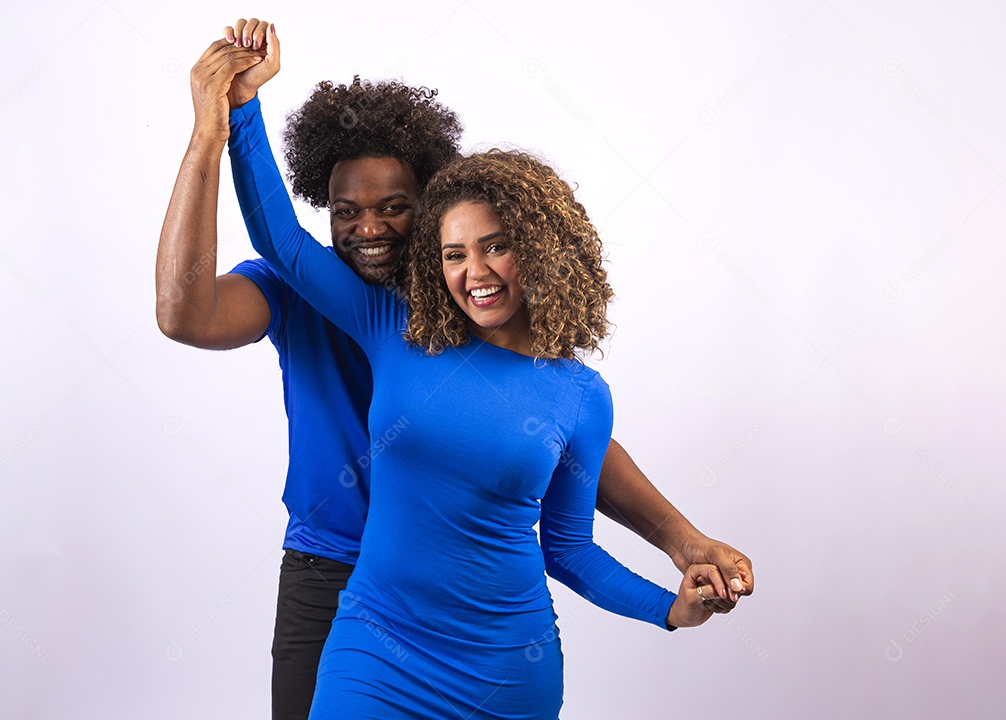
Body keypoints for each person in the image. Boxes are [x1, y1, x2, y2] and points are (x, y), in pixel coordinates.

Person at [157, 18, 754, 719]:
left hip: (502, 660)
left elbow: (567, 517)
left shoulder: (574, 390)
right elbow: (258, 258)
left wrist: (674, 590)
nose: (370, 227)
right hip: (357, 609)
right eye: (348, 210)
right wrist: (232, 114)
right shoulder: (386, 324)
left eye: (493, 247)